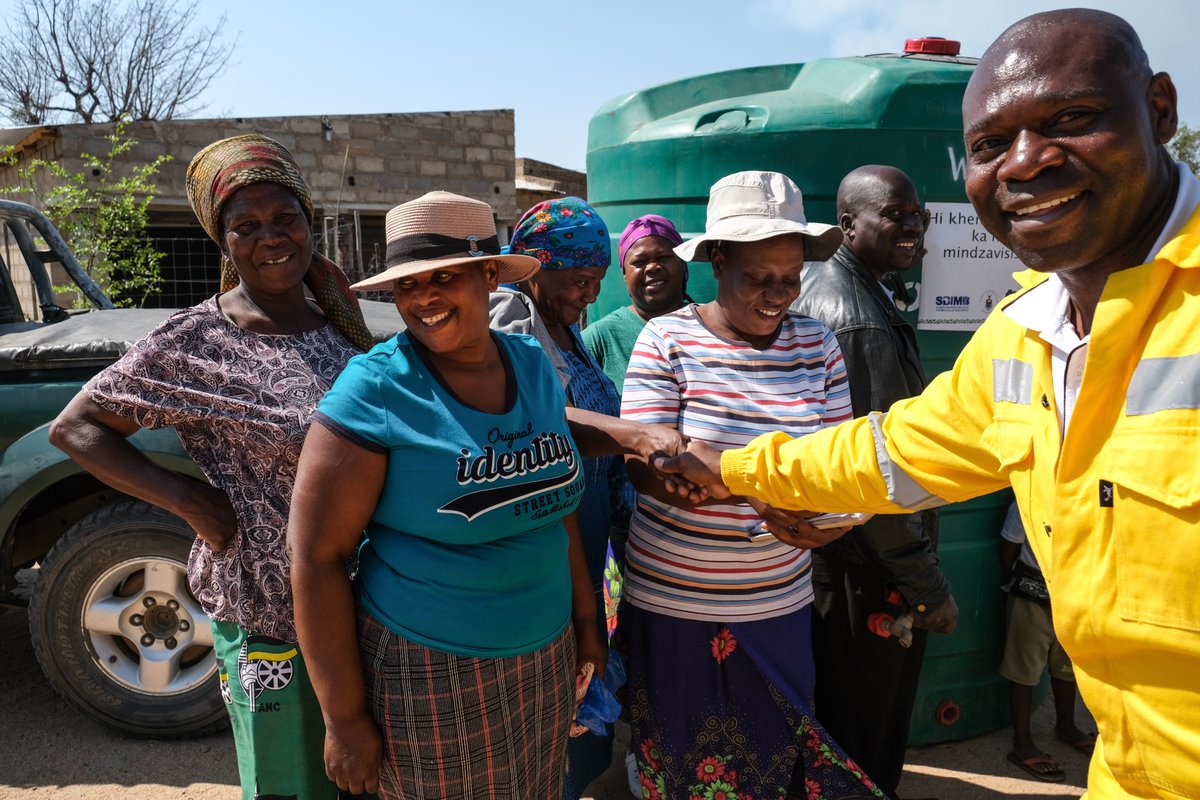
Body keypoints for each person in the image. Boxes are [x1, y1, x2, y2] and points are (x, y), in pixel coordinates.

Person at [652, 10, 1200, 799]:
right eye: (987, 145)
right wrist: (738, 468)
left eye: (1071, 119)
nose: (1025, 163)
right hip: (1128, 770)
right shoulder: (1029, 330)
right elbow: (895, 451)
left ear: (1158, 111)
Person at [47, 133, 375, 800]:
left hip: (365, 600)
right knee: (293, 784)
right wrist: (190, 502)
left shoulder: (337, 320)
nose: (271, 237)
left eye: (285, 218)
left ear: (309, 222)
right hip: (268, 611)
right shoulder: (198, 341)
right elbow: (76, 429)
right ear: (222, 242)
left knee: (365, 776)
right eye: (245, 225)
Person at [287, 191, 605, 799]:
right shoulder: (376, 389)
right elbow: (316, 557)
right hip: (429, 672)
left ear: (490, 274)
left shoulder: (532, 364)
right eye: (408, 286)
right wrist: (345, 720)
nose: (424, 298)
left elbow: (556, 512)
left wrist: (586, 621)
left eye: (444, 277)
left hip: (544, 657)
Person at [620, 170, 885, 799]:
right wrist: (762, 493)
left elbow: (837, 462)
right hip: (675, 602)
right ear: (715, 262)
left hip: (775, 602)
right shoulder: (667, 340)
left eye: (790, 279)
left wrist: (845, 517)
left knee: (771, 761)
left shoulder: (817, 345)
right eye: (757, 279)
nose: (777, 295)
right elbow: (644, 464)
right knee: (682, 763)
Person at [790, 165, 957, 798]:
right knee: (863, 735)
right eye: (896, 215)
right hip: (868, 571)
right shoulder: (856, 317)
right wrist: (927, 584)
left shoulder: (839, 288)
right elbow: (879, 477)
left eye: (920, 215)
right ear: (848, 225)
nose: (913, 227)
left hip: (841, 561)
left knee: (838, 724)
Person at [507, 196, 627, 800]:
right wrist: (632, 436)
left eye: (597, 282)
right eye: (580, 280)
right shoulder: (511, 323)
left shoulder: (566, 330)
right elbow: (537, 419)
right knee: (547, 733)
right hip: (551, 557)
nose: (588, 294)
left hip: (589, 544)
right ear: (535, 266)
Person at [998, 501, 1094, 783]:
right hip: (1032, 594)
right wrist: (1018, 584)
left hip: (1074, 594)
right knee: (1023, 672)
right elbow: (1009, 545)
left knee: (1066, 666)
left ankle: (1066, 726)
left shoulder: (1088, 492)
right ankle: (1022, 743)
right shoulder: (1028, 494)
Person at [582, 214, 687, 393]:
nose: (652, 267)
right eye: (639, 262)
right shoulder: (600, 338)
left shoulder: (709, 324)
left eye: (663, 257)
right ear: (625, 274)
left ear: (683, 264)